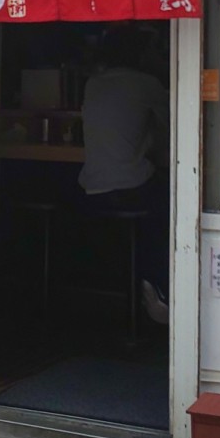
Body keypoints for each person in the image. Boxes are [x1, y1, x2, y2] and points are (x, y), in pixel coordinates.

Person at [78, 26, 170, 324]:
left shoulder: (93, 83)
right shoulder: (147, 83)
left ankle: (136, 286)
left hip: (90, 189)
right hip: (131, 187)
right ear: (143, 53)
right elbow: (178, 122)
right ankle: (158, 285)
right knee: (179, 201)